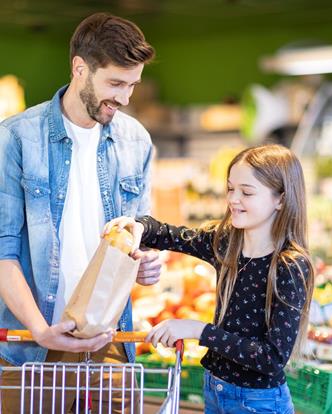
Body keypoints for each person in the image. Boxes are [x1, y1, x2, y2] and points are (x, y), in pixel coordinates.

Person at [0, 12, 162, 412]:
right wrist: (41, 331)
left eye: (132, 85)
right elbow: (3, 251)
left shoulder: (135, 140)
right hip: (33, 349)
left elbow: (142, 229)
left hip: (110, 343)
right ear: (80, 68)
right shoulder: (16, 137)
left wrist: (146, 264)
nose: (125, 98)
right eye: (115, 83)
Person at [105, 144, 315, 414]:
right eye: (230, 189)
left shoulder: (290, 265)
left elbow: (272, 358)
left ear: (281, 200)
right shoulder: (227, 244)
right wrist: (140, 226)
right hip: (214, 389)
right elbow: (173, 235)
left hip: (258, 402)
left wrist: (198, 331)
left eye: (246, 192)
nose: (233, 199)